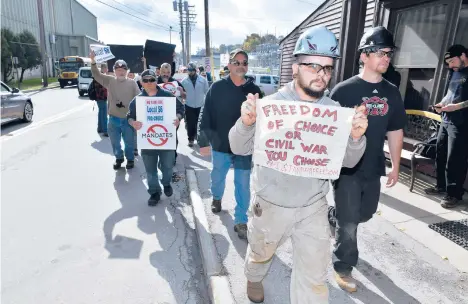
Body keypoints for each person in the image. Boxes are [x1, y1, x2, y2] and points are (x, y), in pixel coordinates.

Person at [229, 26, 368, 304]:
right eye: (313, 66)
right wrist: (246, 123)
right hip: (270, 204)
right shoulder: (270, 106)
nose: (322, 75)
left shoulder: (334, 112)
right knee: (260, 253)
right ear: (295, 67)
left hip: (312, 207)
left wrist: (355, 138)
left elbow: (349, 162)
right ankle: (254, 277)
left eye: (327, 68)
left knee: (314, 278)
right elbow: (237, 147)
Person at [327, 26, 406, 293]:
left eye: (389, 53)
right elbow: (326, 129)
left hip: (373, 167)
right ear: (364, 55)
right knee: (349, 224)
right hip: (346, 169)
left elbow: (395, 130)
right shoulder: (343, 91)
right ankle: (343, 266)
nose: (386, 58)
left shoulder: (392, 92)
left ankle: (335, 216)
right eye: (381, 52)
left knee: (365, 213)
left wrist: (395, 165)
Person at [197, 49, 262, 240]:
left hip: (245, 148)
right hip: (221, 145)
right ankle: (217, 197)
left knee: (242, 184)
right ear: (229, 65)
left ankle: (241, 220)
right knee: (217, 177)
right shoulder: (217, 88)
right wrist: (203, 141)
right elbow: (205, 114)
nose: (241, 66)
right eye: (237, 62)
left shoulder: (254, 91)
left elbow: (265, 119)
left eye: (244, 62)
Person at [127, 69, 185, 206]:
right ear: (141, 82)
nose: (148, 83)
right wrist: (133, 123)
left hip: (167, 140)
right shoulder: (138, 101)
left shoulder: (168, 96)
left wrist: (178, 118)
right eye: (145, 80)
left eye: (151, 79)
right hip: (147, 141)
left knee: (167, 167)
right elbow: (129, 117)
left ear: (155, 80)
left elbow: (181, 109)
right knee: (150, 170)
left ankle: (166, 183)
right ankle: (154, 192)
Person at [425, 44, 468, 208]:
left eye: (452, 61)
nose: (450, 66)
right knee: (441, 154)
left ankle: (454, 194)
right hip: (446, 119)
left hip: (462, 122)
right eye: (448, 63)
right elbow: (450, 94)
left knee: (455, 159)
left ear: (463, 55)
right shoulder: (454, 72)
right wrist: (442, 104)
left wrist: (457, 107)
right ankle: (441, 186)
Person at [90, 51, 141, 170]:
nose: (121, 72)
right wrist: (93, 61)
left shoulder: (132, 83)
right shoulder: (110, 80)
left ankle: (130, 159)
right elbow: (96, 74)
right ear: (114, 71)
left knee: (129, 143)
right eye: (118, 70)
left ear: (127, 71)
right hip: (113, 119)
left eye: (123, 69)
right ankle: (119, 158)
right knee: (115, 142)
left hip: (128, 120)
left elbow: (140, 98)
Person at [159, 62, 187, 165]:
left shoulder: (175, 82)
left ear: (171, 72)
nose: (166, 74)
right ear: (160, 71)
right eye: (164, 72)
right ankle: (162, 157)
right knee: (159, 135)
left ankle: (173, 156)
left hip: (174, 114)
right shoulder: (154, 81)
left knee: (172, 136)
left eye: (168, 72)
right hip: (159, 115)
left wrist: (182, 92)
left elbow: (185, 97)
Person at [182, 62, 209, 147]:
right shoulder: (184, 81)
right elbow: (181, 94)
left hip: (200, 105)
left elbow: (207, 92)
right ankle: (190, 139)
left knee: (200, 123)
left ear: (195, 70)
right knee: (190, 123)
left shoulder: (203, 80)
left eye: (192, 70)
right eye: (189, 71)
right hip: (189, 105)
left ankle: (200, 139)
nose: (190, 72)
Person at [93, 63, 109, 137]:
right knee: (104, 115)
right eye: (106, 68)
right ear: (103, 68)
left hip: (98, 98)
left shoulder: (97, 76)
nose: (107, 70)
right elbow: (103, 88)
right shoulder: (102, 76)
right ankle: (105, 131)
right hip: (102, 97)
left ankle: (99, 128)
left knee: (100, 113)